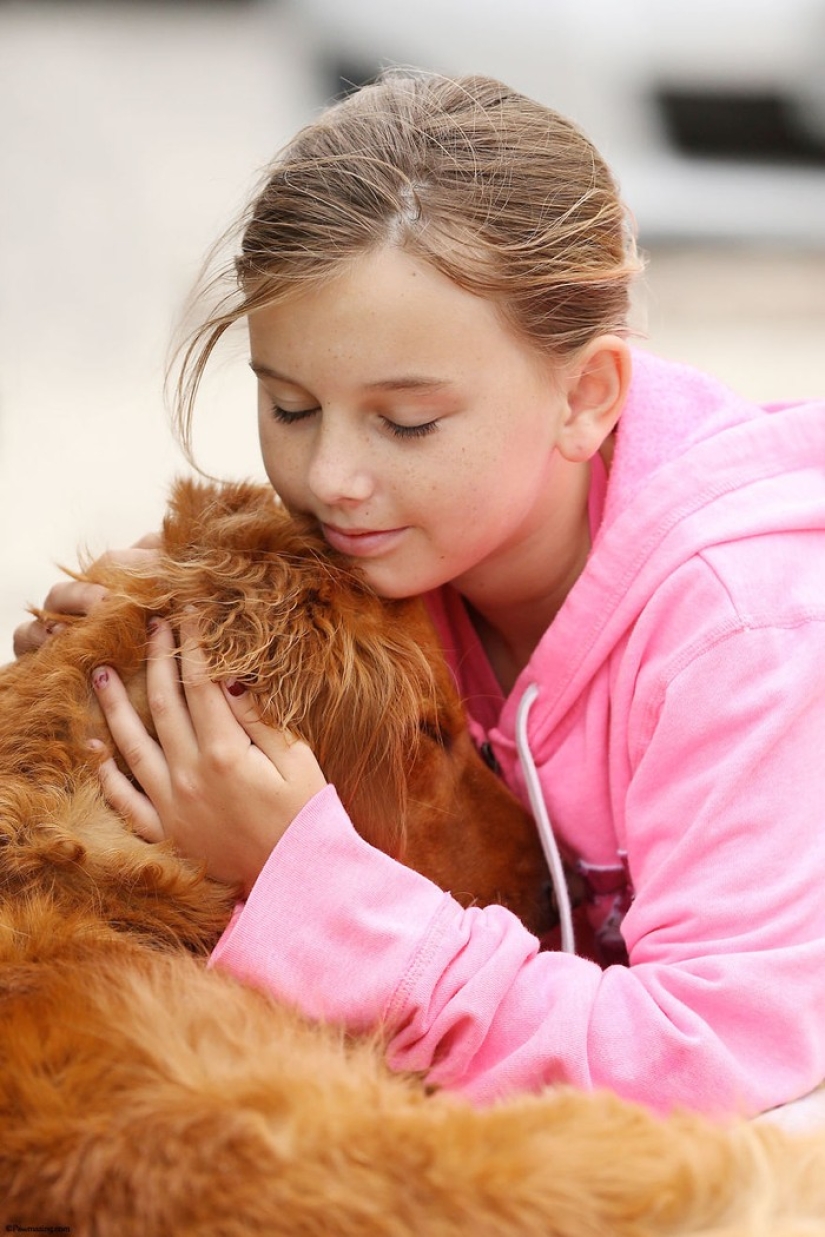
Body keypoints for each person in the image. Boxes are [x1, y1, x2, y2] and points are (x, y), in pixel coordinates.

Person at [14, 72, 825, 1122]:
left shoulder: (744, 628)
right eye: (290, 407)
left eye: (406, 424)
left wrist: (306, 884)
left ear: (585, 397)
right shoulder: (399, 535)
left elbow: (713, 1065)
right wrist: (140, 643)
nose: (330, 479)